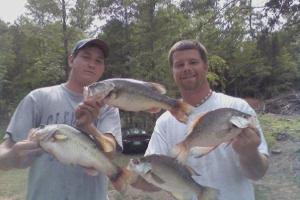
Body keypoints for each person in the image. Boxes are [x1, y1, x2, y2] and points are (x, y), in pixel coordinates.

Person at [144, 39, 269, 200]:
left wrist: (249, 153)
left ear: (206, 66)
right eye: (179, 64)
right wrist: (119, 173)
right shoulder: (165, 122)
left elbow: (258, 174)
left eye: (193, 62)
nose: (186, 68)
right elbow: (150, 174)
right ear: (173, 71)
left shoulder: (238, 107)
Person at [0, 38, 122, 200]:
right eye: (86, 57)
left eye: (98, 61)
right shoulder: (38, 99)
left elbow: (110, 152)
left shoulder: (108, 106)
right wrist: (10, 158)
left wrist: (89, 127)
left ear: (102, 68)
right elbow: (4, 150)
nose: (92, 64)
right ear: (71, 60)